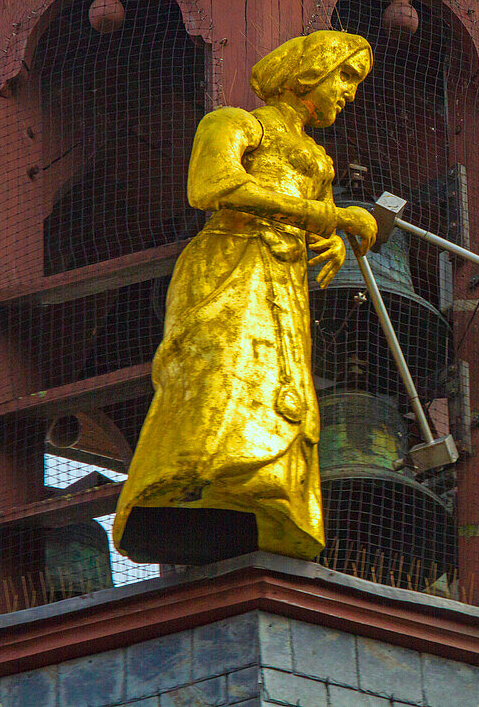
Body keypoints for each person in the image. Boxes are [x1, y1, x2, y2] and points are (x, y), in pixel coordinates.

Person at [113, 31, 377, 565]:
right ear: (310, 72)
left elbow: (313, 223)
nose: (350, 92)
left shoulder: (319, 161)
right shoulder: (236, 123)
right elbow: (211, 187)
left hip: (282, 282)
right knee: (220, 372)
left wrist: (330, 240)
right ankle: (192, 475)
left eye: (357, 82)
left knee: (282, 391)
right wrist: (328, 218)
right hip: (229, 265)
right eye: (345, 76)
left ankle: (270, 493)